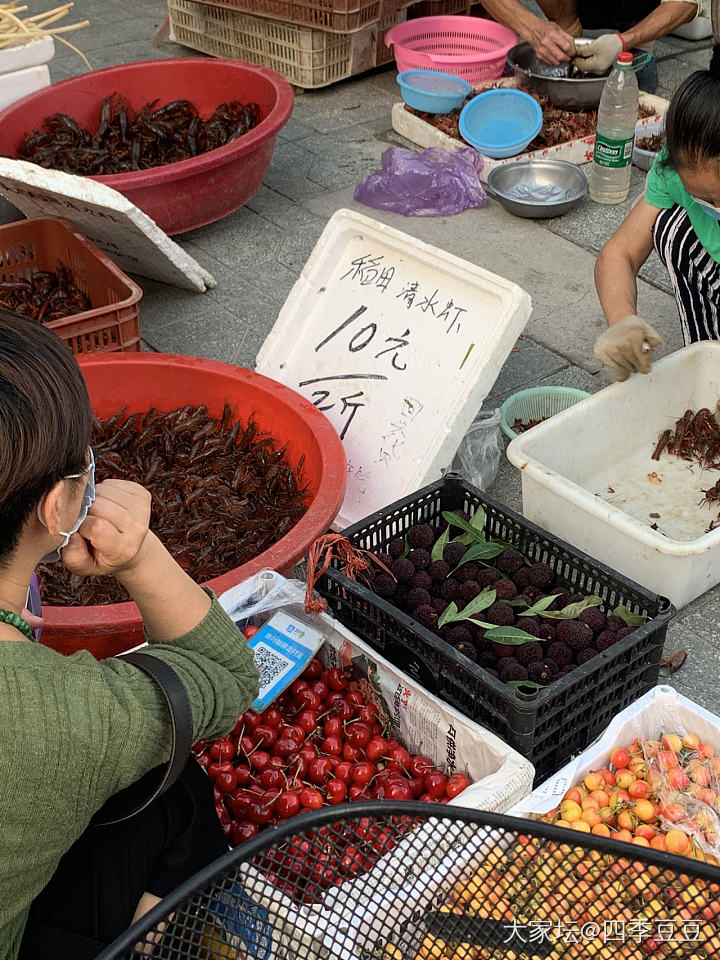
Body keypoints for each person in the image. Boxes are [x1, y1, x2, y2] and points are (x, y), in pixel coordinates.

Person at [0, 309, 259, 959]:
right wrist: (139, 555)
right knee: (174, 790)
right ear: (59, 506)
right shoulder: (73, 715)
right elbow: (226, 677)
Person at [593, 48, 720, 381]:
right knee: (671, 229)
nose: (714, 208)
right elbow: (618, 254)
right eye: (703, 197)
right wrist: (623, 322)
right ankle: (706, 358)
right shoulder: (673, 167)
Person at [480, 0, 709, 86]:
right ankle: (567, 33)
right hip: (570, 11)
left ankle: (638, 47)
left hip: (634, 21)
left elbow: (687, 2)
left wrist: (623, 42)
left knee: (638, 82)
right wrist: (534, 29)